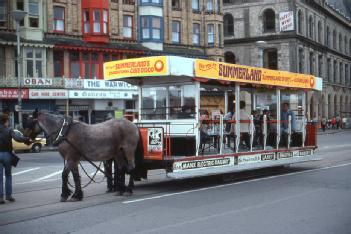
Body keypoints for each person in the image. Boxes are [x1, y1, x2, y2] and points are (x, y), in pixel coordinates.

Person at [0, 114, 31, 204]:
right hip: (7, 154)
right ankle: (9, 196)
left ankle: (0, 198)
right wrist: (26, 139)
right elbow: (17, 138)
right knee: (8, 176)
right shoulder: (9, 129)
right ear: (5, 121)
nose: (8, 122)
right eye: (8, 120)